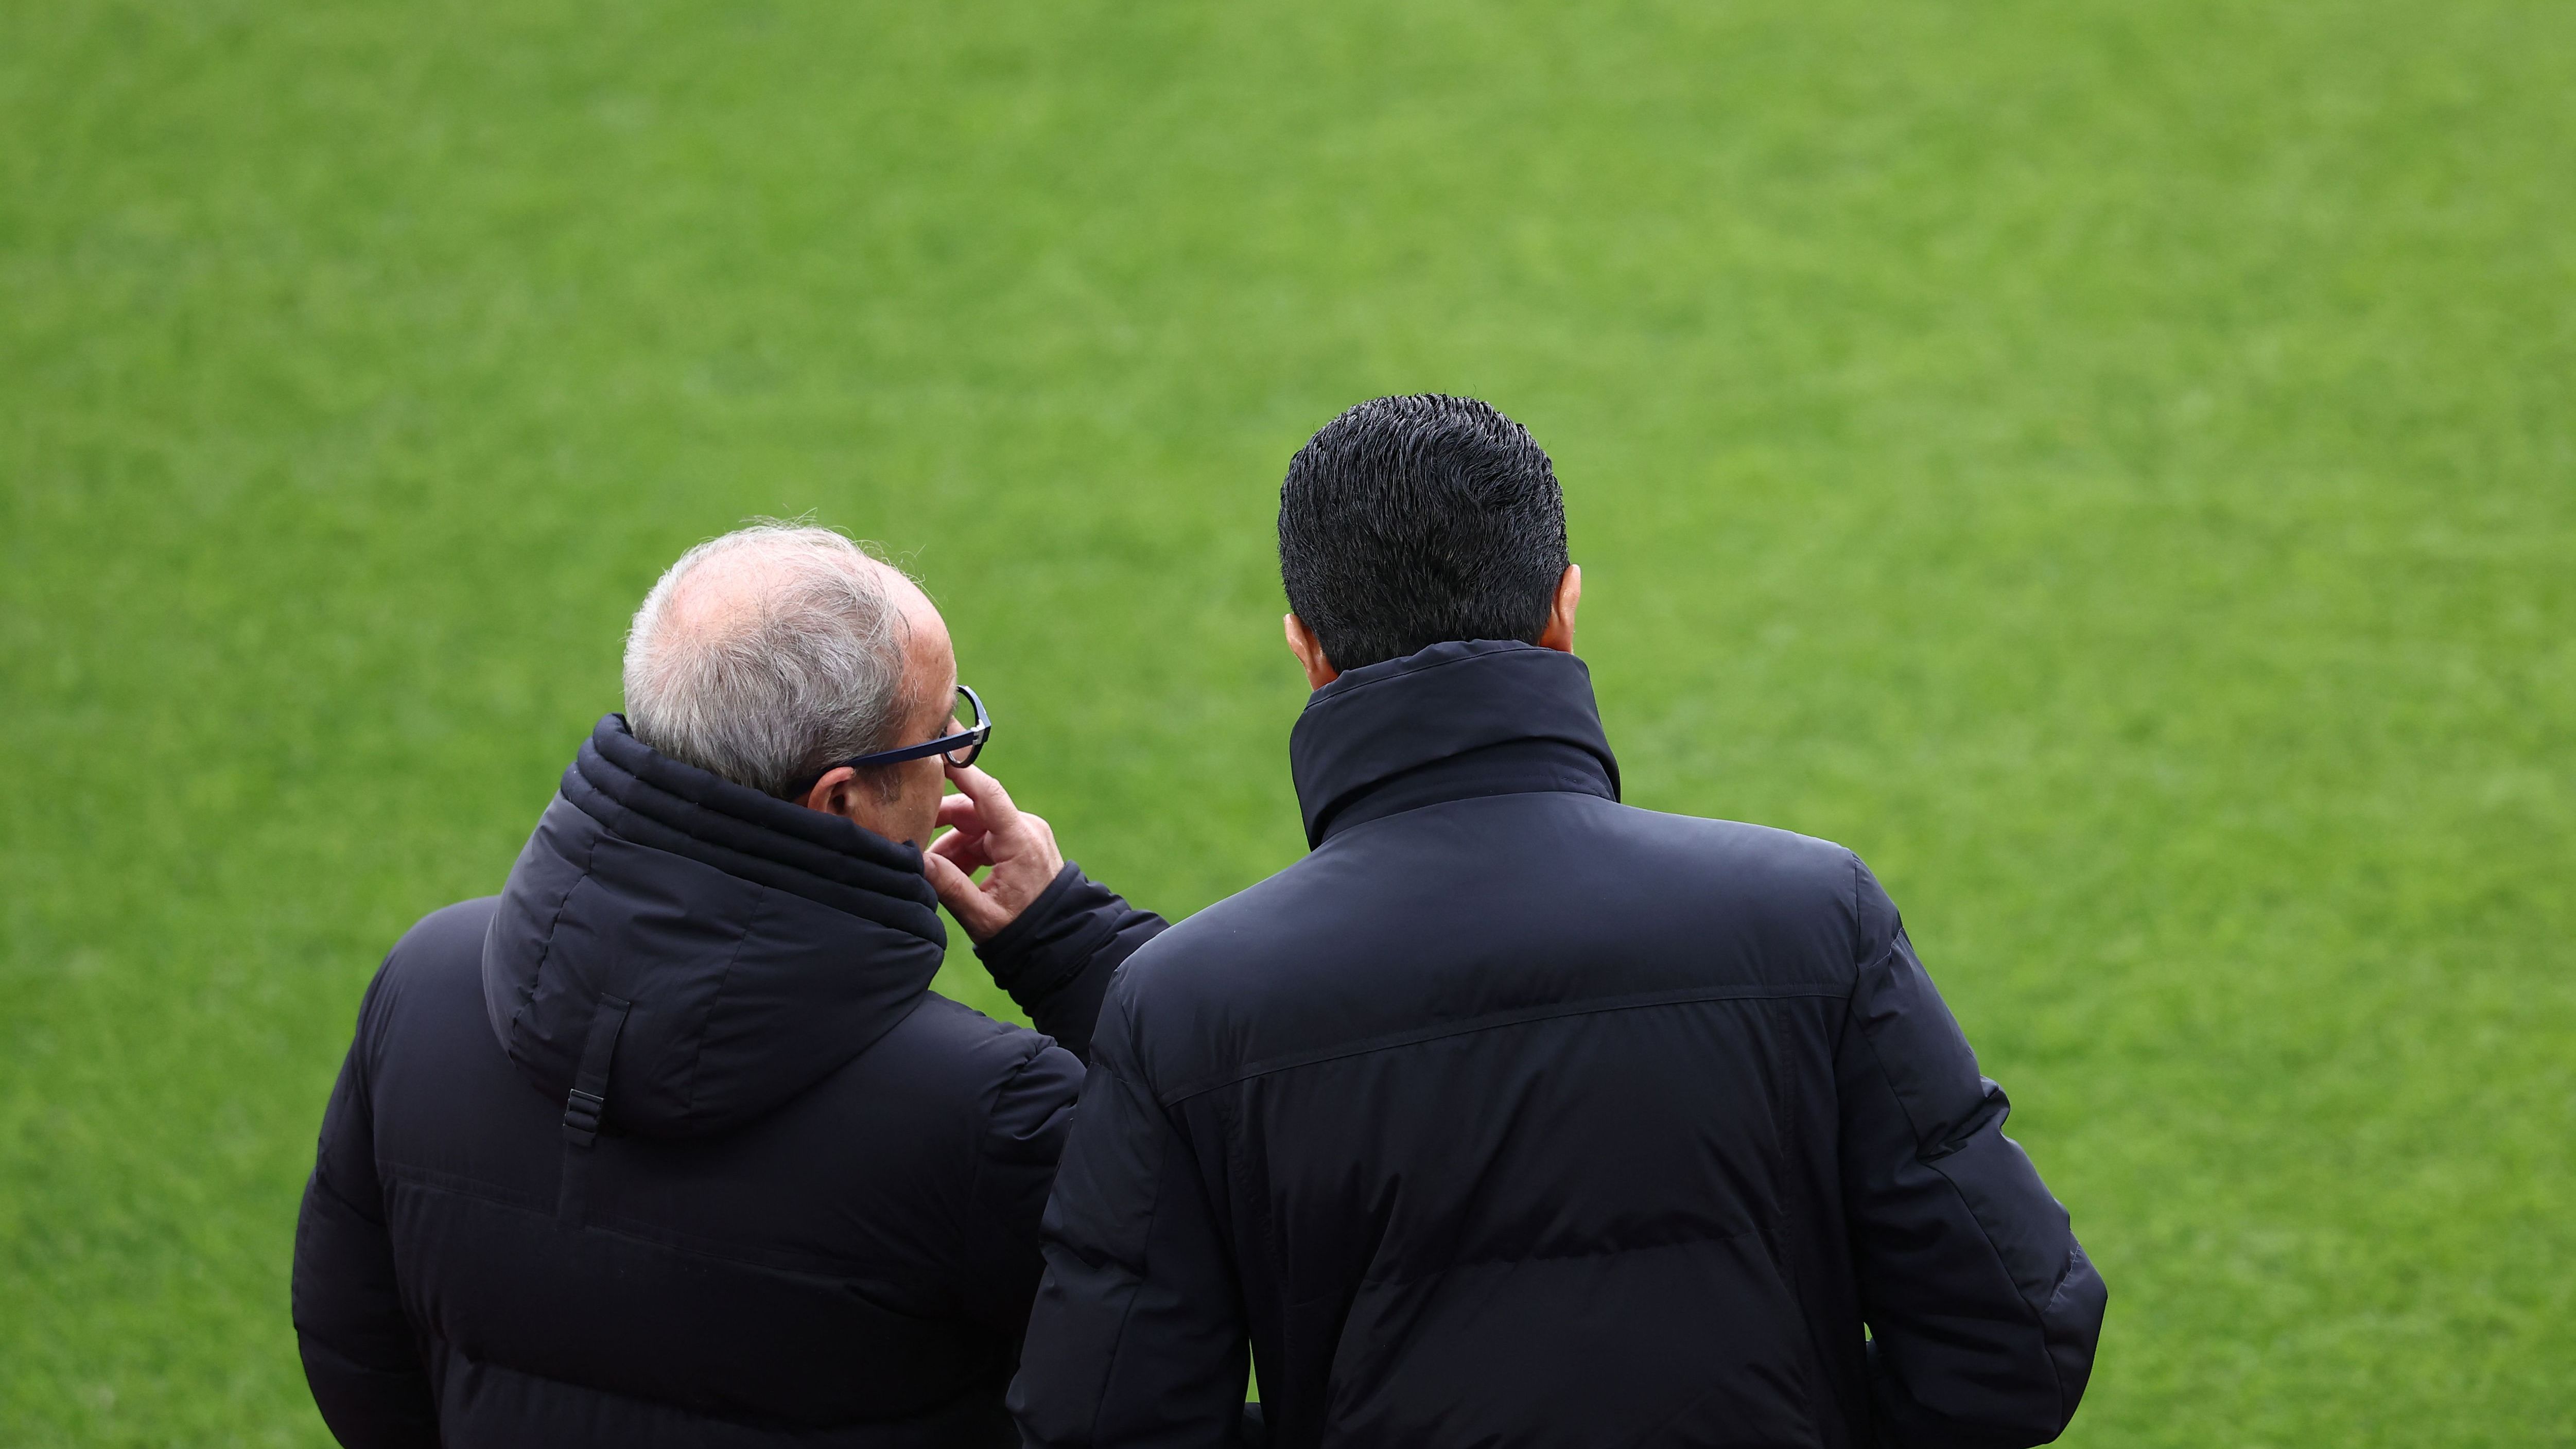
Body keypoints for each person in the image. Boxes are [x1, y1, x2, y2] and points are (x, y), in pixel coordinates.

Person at [1011, 396, 2108, 1448]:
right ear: (1564, 612)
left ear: (1306, 650)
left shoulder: (1186, 1002)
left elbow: (1108, 1424)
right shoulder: (1814, 917)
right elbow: (2016, 1334)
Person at [291, 523, 1163, 1446]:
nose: (956, 759)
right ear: (842, 799)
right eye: (940, 732)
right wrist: (1070, 945)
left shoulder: (425, 982)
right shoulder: (995, 1112)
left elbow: (354, 1345)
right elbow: (1155, 1388)